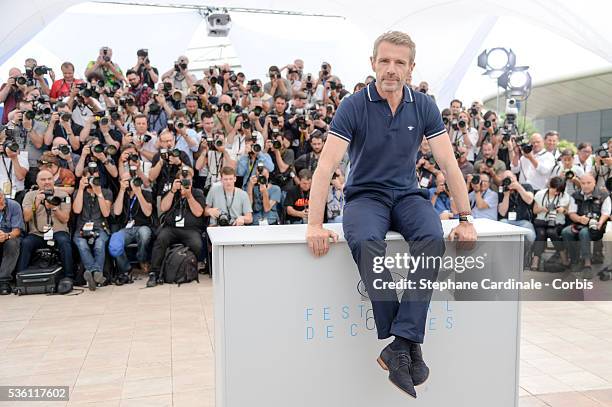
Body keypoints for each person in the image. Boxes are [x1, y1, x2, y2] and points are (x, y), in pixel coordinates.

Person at [305, 31, 476, 398]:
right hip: (365, 196)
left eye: (400, 63)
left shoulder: (424, 105)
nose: (391, 69)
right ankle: (406, 344)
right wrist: (314, 225)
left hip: (407, 194)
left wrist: (465, 218)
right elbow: (325, 166)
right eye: (384, 61)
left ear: (411, 68)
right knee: (367, 242)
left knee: (431, 238)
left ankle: (398, 346)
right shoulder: (354, 104)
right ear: (373, 64)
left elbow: (448, 162)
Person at [148, 166, 205, 287]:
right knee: (161, 239)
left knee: (197, 244)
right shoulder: (172, 191)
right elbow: (163, 208)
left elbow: (199, 212)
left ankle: (189, 267)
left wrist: (189, 196)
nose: (184, 183)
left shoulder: (197, 193)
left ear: (192, 180)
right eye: (182, 180)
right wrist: (173, 191)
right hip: (172, 228)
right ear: (176, 180)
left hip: (190, 229)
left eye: (187, 180)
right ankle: (154, 272)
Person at [18, 169, 74, 292]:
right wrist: (36, 204)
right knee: (26, 243)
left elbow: (65, 218)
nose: (47, 182)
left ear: (54, 180)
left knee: (64, 242)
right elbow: (26, 218)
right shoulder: (29, 195)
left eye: (49, 179)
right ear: (37, 182)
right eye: (43, 179)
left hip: (58, 231)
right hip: (37, 233)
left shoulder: (63, 195)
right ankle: (20, 278)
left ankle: (68, 277)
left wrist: (54, 207)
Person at [72, 168, 113, 291]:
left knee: (99, 244)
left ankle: (92, 272)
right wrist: (80, 189)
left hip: (100, 226)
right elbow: (77, 210)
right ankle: (96, 273)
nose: (93, 181)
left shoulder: (106, 192)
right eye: (90, 178)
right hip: (82, 228)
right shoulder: (78, 192)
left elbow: (106, 213)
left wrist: (99, 193)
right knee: (81, 244)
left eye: (96, 178)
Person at [562, 173, 610, 276]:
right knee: (566, 232)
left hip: (597, 225)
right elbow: (571, 213)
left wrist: (600, 223)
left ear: (594, 183)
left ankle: (587, 264)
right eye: (583, 183)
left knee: (584, 233)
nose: (586, 185)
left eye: (589, 183)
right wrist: (579, 218)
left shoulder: (603, 195)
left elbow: (606, 213)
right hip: (579, 223)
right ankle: (575, 260)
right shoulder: (575, 195)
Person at [110, 171, 153, 283]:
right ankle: (125, 268)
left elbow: (148, 212)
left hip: (142, 226)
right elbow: (117, 212)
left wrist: (138, 193)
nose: (130, 183)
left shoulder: (145, 193)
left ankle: (142, 259)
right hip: (125, 229)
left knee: (144, 234)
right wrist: (122, 190)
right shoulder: (121, 194)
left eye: (131, 180)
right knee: (115, 241)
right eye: (126, 181)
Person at [531, 176, 570, 270]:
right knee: (541, 233)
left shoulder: (564, 196)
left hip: (557, 222)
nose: (556, 193)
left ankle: (563, 257)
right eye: (554, 190)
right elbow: (534, 211)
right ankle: (535, 259)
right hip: (542, 222)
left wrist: (563, 210)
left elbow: (568, 212)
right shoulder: (540, 194)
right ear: (549, 186)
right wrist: (542, 209)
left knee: (551, 232)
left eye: (559, 191)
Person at [0, 193, 24, 295]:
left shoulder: (13, 205)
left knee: (12, 244)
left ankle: (3, 280)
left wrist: (6, 236)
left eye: (0, 197)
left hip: (10, 235)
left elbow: (17, 230)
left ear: (3, 196)